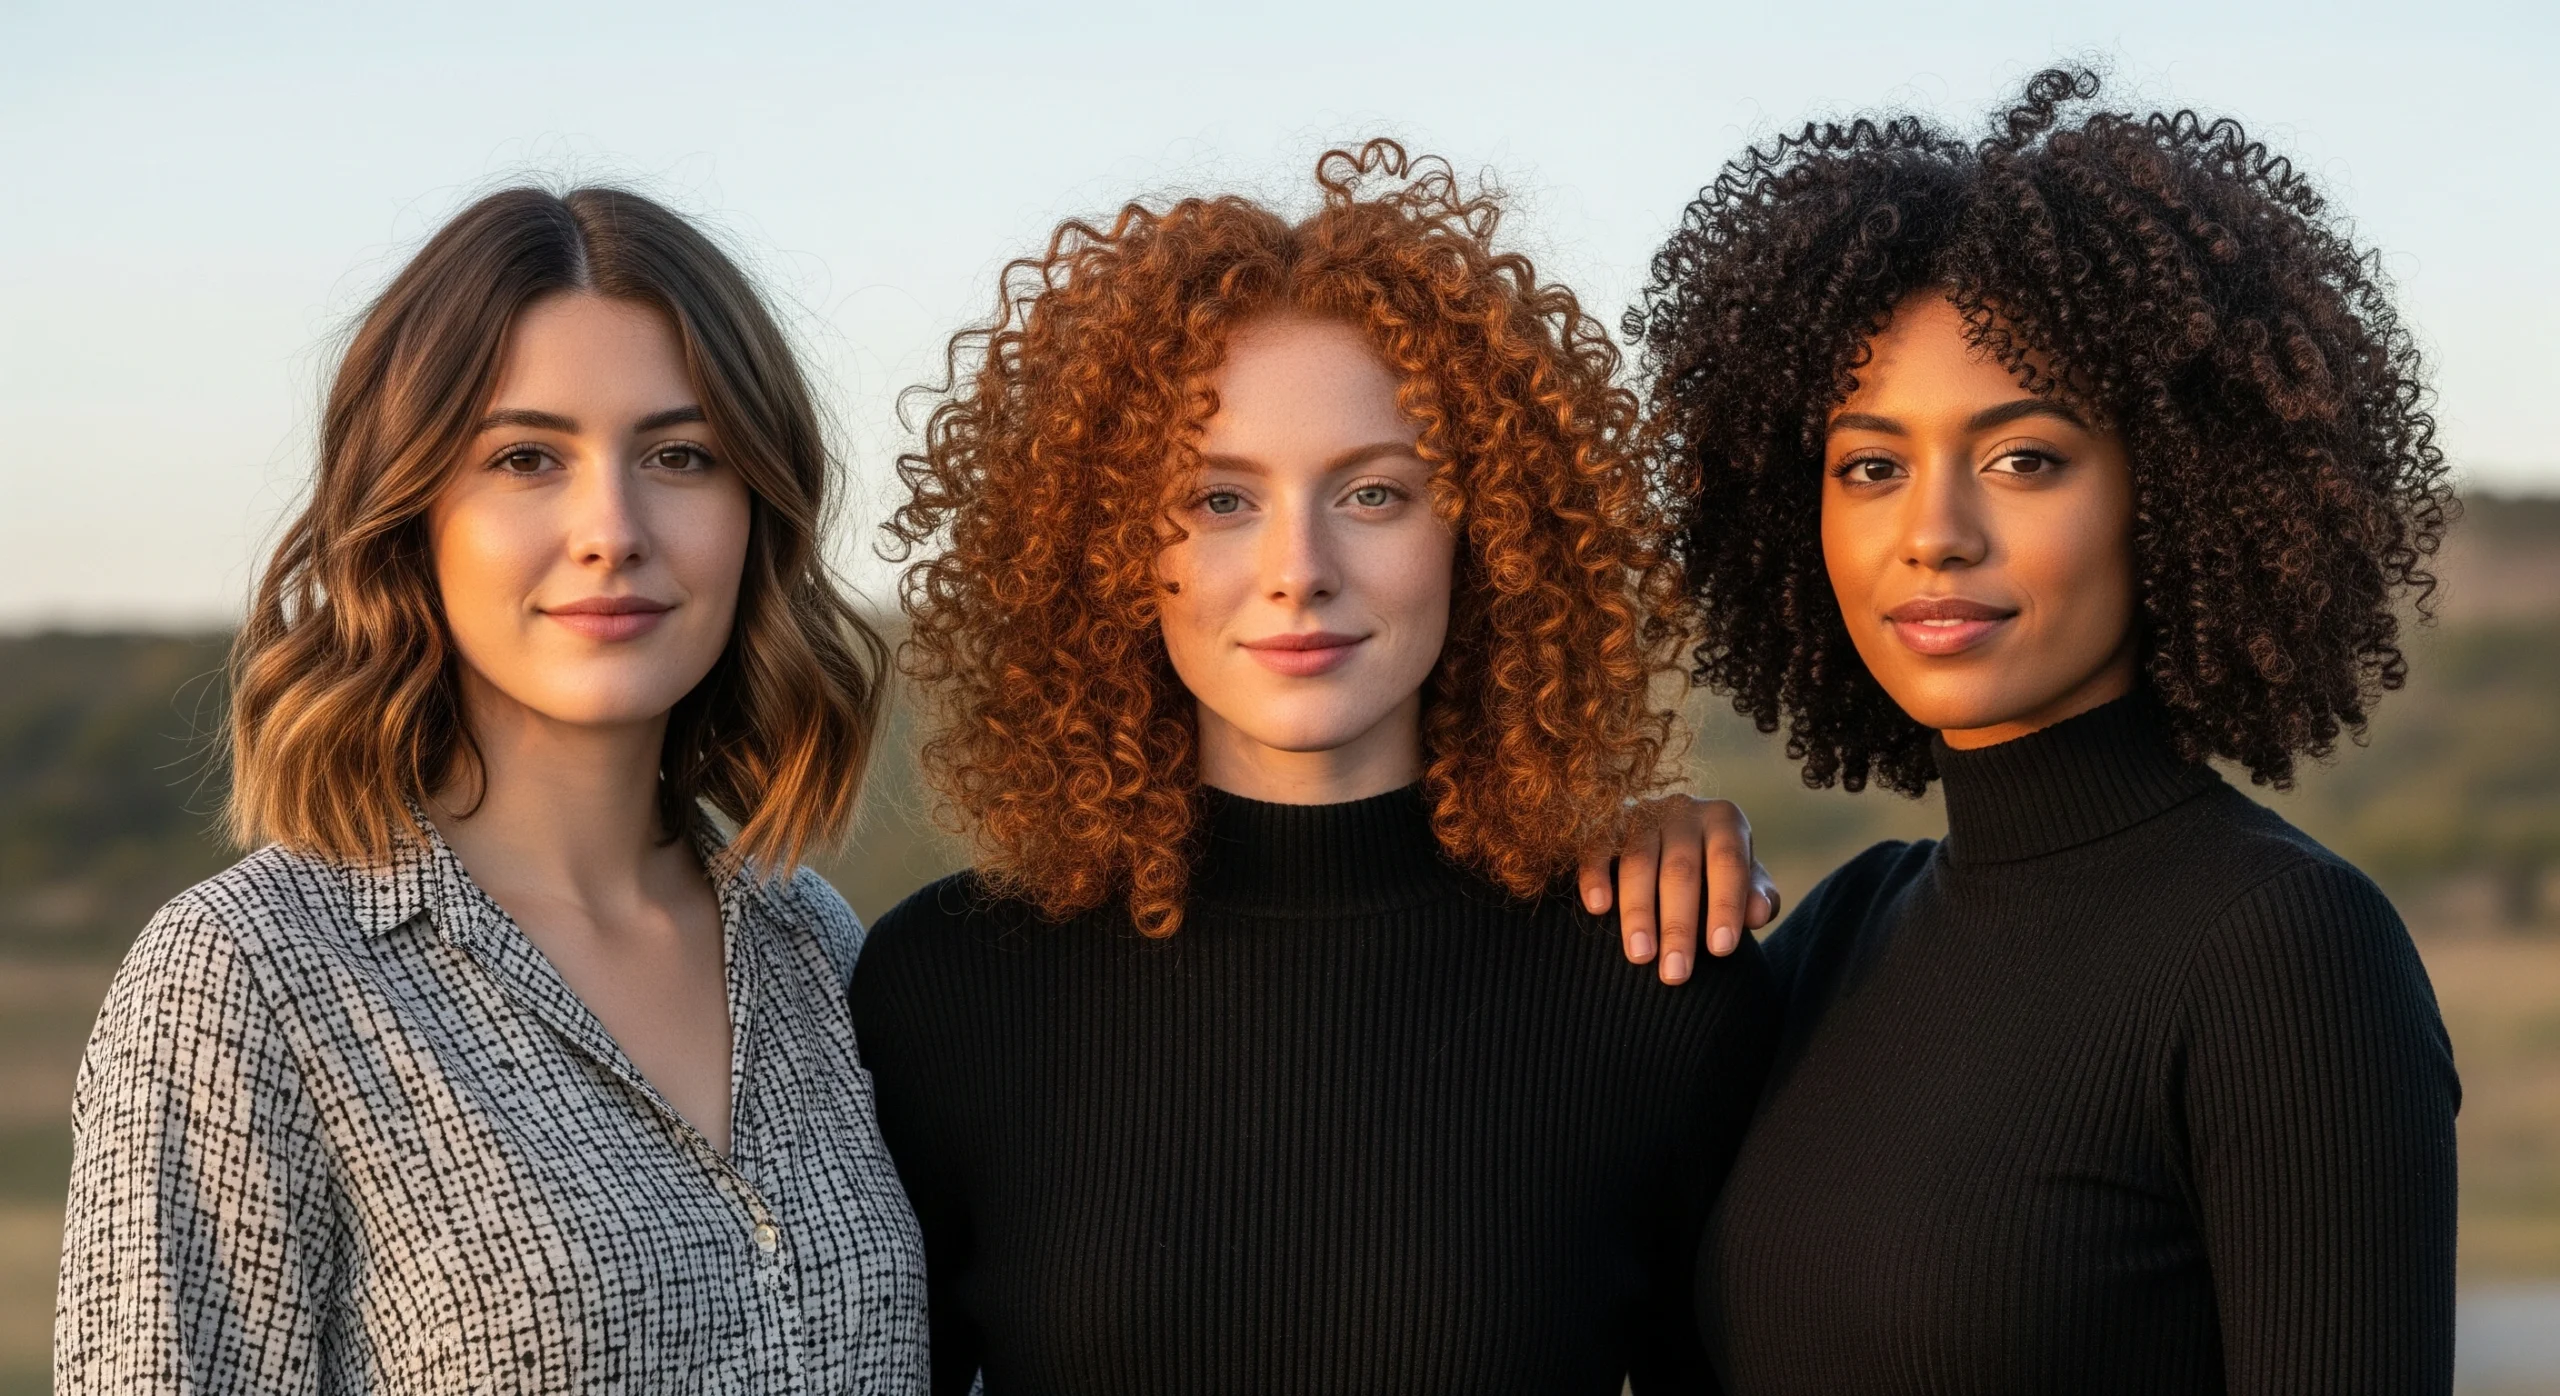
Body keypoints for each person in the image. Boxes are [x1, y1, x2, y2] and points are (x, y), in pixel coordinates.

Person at [850, 141, 1780, 1395]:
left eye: (1377, 494)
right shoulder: (940, 990)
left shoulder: (1652, 976)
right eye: (1220, 500)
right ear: (1110, 546)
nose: (1299, 568)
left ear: (1490, 533)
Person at [1623, 69, 2461, 1392]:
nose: (1936, 531)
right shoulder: (1842, 932)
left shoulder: (2286, 954)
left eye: (2024, 459)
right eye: (1871, 466)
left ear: (2182, 489)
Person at [55, 187, 929, 1392]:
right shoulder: (245, 977)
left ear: (754, 514)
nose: (611, 527)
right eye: (527, 458)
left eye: (680, 456)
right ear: (411, 513)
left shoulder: (812, 947)